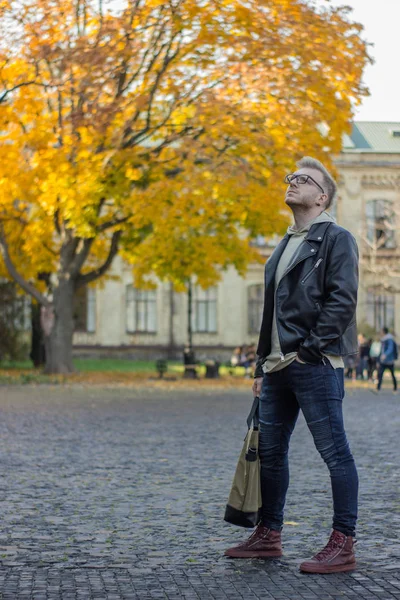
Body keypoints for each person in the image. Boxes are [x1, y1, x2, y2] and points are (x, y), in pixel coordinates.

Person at [225, 157, 359, 574]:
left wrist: (309, 350)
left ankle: (343, 543)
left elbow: (342, 300)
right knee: (270, 452)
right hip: (277, 367)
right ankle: (270, 533)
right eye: (291, 177)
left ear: (322, 197)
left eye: (304, 179)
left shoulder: (337, 239)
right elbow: (271, 311)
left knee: (334, 452)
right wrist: (262, 367)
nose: (292, 182)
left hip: (315, 363)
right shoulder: (285, 244)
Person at [376, 327, 398, 391]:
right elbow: (381, 350)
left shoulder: (389, 339)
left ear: (384, 331)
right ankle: (378, 388)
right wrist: (379, 359)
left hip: (389, 360)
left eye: (381, 331)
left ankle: (395, 387)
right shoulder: (383, 339)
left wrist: (385, 354)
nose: (380, 332)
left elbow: (390, 348)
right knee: (380, 374)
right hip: (383, 360)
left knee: (392, 374)